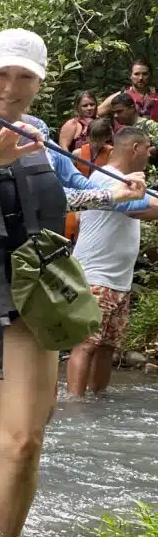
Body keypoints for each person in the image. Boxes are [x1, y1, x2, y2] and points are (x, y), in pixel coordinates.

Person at [0, 28, 148, 537]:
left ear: (39, 83)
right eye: (2, 74)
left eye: (25, 77)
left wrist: (121, 192)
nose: (11, 88)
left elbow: (77, 191)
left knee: (23, 443)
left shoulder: (43, 137)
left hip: (28, 294)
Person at [66, 125, 158, 397]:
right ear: (135, 148)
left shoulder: (128, 183)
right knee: (85, 345)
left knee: (107, 347)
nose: (149, 155)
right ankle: (75, 407)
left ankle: (97, 405)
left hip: (119, 282)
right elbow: (138, 209)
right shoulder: (107, 179)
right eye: (148, 150)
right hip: (94, 278)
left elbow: (147, 207)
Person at [64, 114, 114, 241]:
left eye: (100, 139)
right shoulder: (77, 153)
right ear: (88, 135)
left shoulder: (111, 154)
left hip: (99, 199)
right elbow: (68, 179)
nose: (95, 143)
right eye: (93, 138)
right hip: (78, 198)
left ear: (107, 137)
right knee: (71, 228)